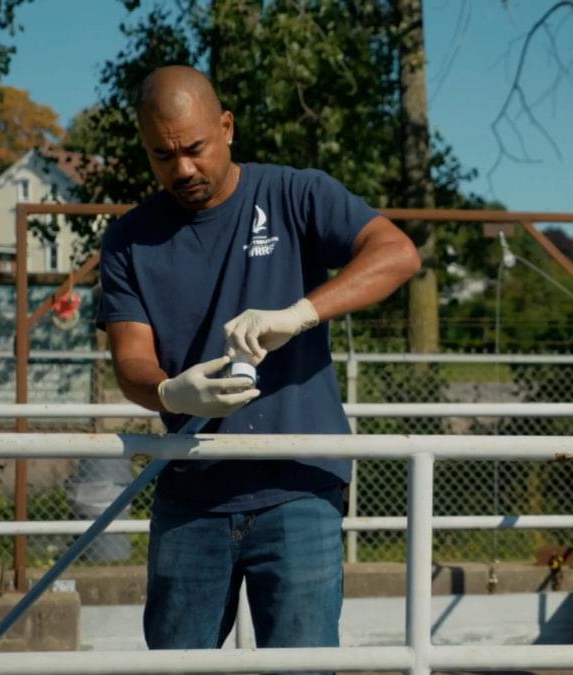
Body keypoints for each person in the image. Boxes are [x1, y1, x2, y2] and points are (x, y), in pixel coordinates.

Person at [95, 65, 420, 664]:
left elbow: (397, 253)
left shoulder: (294, 194)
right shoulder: (128, 240)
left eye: (194, 148)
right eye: (162, 156)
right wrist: (170, 393)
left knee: (301, 665)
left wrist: (299, 313)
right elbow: (130, 360)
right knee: (173, 663)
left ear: (227, 126)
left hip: (298, 483)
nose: (183, 169)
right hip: (191, 489)